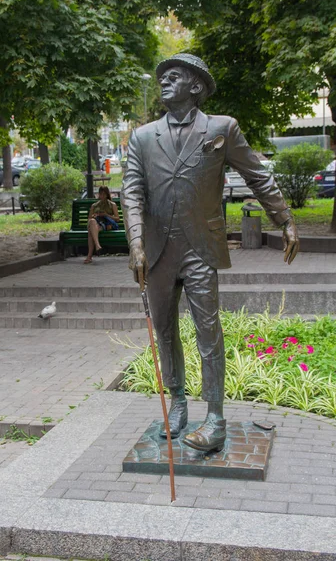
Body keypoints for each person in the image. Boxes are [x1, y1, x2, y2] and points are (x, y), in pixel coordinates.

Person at [121, 53, 299, 453]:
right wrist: (135, 244)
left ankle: (215, 418)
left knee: (208, 332)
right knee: (164, 330)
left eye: (174, 76)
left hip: (201, 247)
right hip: (156, 252)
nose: (164, 81)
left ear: (196, 86)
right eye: (161, 77)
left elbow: (256, 174)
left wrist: (284, 219)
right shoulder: (143, 137)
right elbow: (131, 191)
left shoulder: (222, 128)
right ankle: (178, 406)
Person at [84, 186, 120, 264]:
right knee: (92, 222)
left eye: (104, 194)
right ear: (99, 195)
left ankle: (89, 256)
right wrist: (95, 216)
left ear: (107, 194)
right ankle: (97, 245)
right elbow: (89, 219)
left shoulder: (112, 204)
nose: (102, 196)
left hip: (106, 225)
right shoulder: (94, 205)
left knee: (91, 230)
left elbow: (117, 219)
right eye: (101, 194)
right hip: (96, 223)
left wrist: (106, 215)